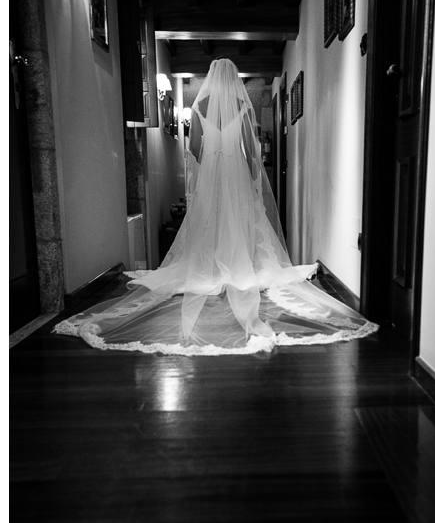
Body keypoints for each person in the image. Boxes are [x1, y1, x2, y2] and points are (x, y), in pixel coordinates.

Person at [54, 58, 377, 355]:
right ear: (233, 80)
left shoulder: (200, 106)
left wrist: (197, 179)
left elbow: (194, 150)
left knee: (210, 219)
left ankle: (210, 265)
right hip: (235, 170)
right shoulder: (242, 105)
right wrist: (253, 183)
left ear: (210, 79)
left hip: (212, 171)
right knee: (240, 219)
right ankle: (239, 263)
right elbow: (251, 153)